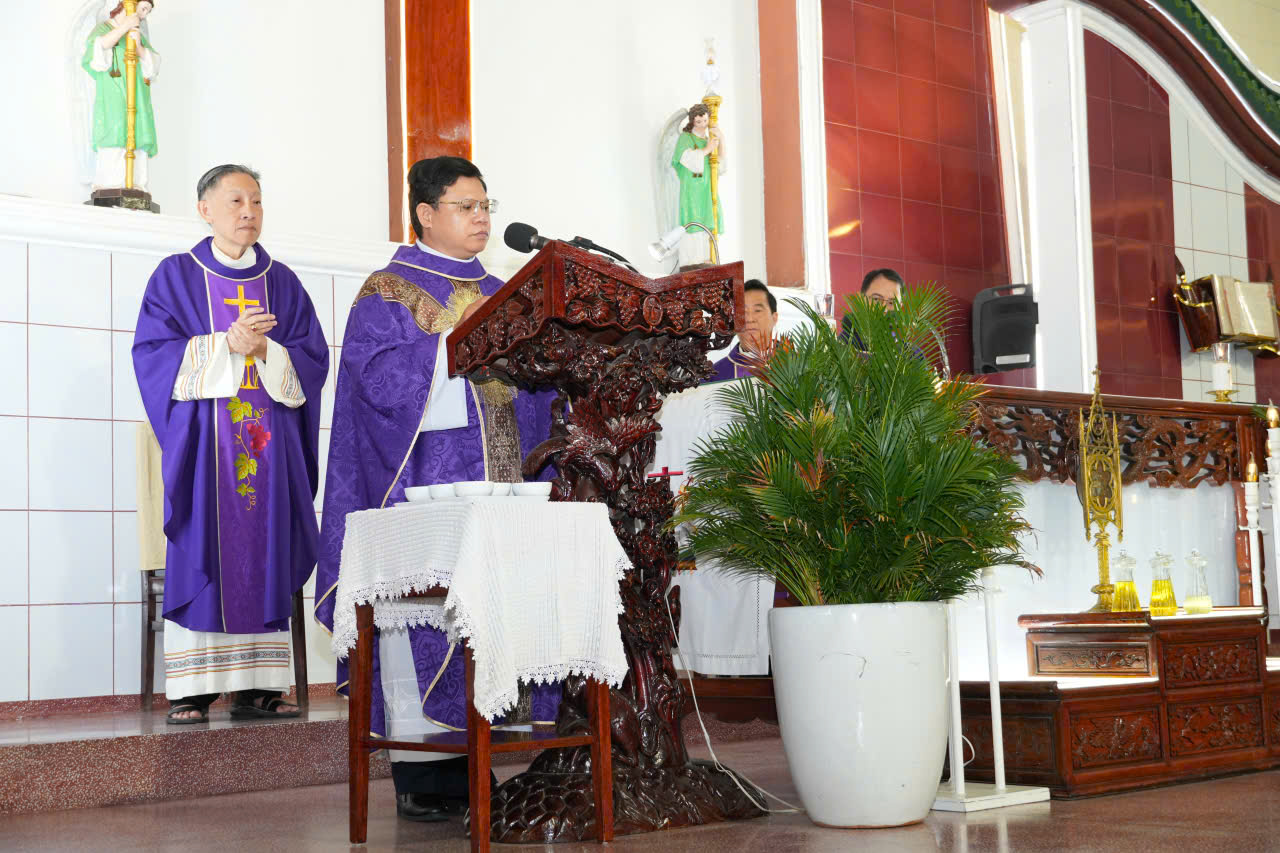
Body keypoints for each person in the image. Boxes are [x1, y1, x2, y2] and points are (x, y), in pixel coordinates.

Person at [314, 156, 557, 823]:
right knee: (426, 622)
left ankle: (484, 758)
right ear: (425, 213)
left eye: (485, 205)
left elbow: (539, 387)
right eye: (466, 206)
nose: (481, 218)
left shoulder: (508, 292)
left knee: (494, 618)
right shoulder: (388, 291)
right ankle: (424, 772)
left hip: (503, 490)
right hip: (423, 491)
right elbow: (374, 385)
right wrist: (449, 347)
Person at [132, 165, 329, 724]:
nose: (249, 212)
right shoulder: (176, 276)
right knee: (204, 545)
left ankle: (259, 687)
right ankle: (193, 690)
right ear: (205, 210)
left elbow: (313, 359)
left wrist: (266, 351)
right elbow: (154, 354)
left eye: (257, 201)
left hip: (268, 449)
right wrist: (224, 344)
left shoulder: (282, 282)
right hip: (204, 450)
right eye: (236, 201)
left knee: (265, 547)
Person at [82, 1, 160, 191]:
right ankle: (111, 183)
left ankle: (136, 184)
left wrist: (138, 46)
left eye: (148, 11)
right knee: (114, 130)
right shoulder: (104, 28)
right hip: (113, 93)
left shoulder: (137, 34)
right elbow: (96, 50)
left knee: (138, 131)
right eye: (143, 9)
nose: (144, 15)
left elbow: (153, 65)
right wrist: (124, 28)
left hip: (137, 95)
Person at [671, 103, 725, 263]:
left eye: (705, 121)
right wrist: (707, 149)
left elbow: (720, 167)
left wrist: (722, 140)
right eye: (698, 122)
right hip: (692, 190)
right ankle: (694, 262)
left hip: (707, 189)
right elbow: (686, 159)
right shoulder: (686, 138)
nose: (702, 125)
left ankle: (708, 259)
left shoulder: (709, 140)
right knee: (693, 222)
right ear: (692, 121)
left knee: (709, 221)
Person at [709, 279, 778, 382]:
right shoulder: (714, 376)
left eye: (757, 310)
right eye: (743, 312)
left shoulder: (798, 364)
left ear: (774, 318)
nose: (749, 319)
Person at [841, 267, 904, 344]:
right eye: (876, 299)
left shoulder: (908, 350)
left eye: (891, 303)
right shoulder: (842, 346)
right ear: (861, 300)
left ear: (900, 307)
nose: (884, 309)